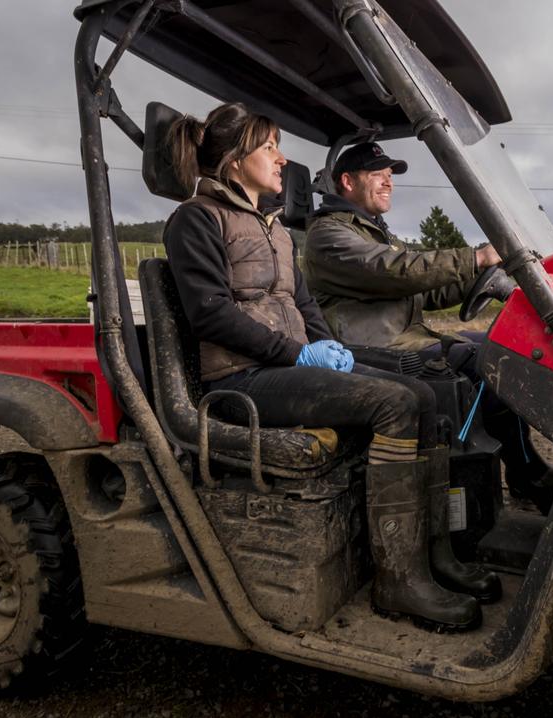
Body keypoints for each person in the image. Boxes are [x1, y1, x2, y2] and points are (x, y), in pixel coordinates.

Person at [161, 104, 498, 632]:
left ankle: (437, 555)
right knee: (396, 403)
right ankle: (399, 580)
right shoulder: (197, 220)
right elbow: (212, 313)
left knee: (427, 395)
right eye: (269, 147)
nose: (282, 158)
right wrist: (295, 354)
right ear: (232, 162)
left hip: (287, 368)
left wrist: (326, 348)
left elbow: (306, 307)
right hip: (242, 379)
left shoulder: (273, 230)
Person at [303, 143, 553, 511]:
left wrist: (483, 276)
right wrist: (475, 257)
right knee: (489, 363)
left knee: (502, 346)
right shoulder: (329, 236)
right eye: (379, 175)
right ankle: (506, 481)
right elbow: (395, 271)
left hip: (407, 342)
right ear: (347, 181)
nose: (389, 183)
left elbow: (424, 289)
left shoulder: (372, 232)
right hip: (375, 353)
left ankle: (519, 473)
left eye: (391, 177)